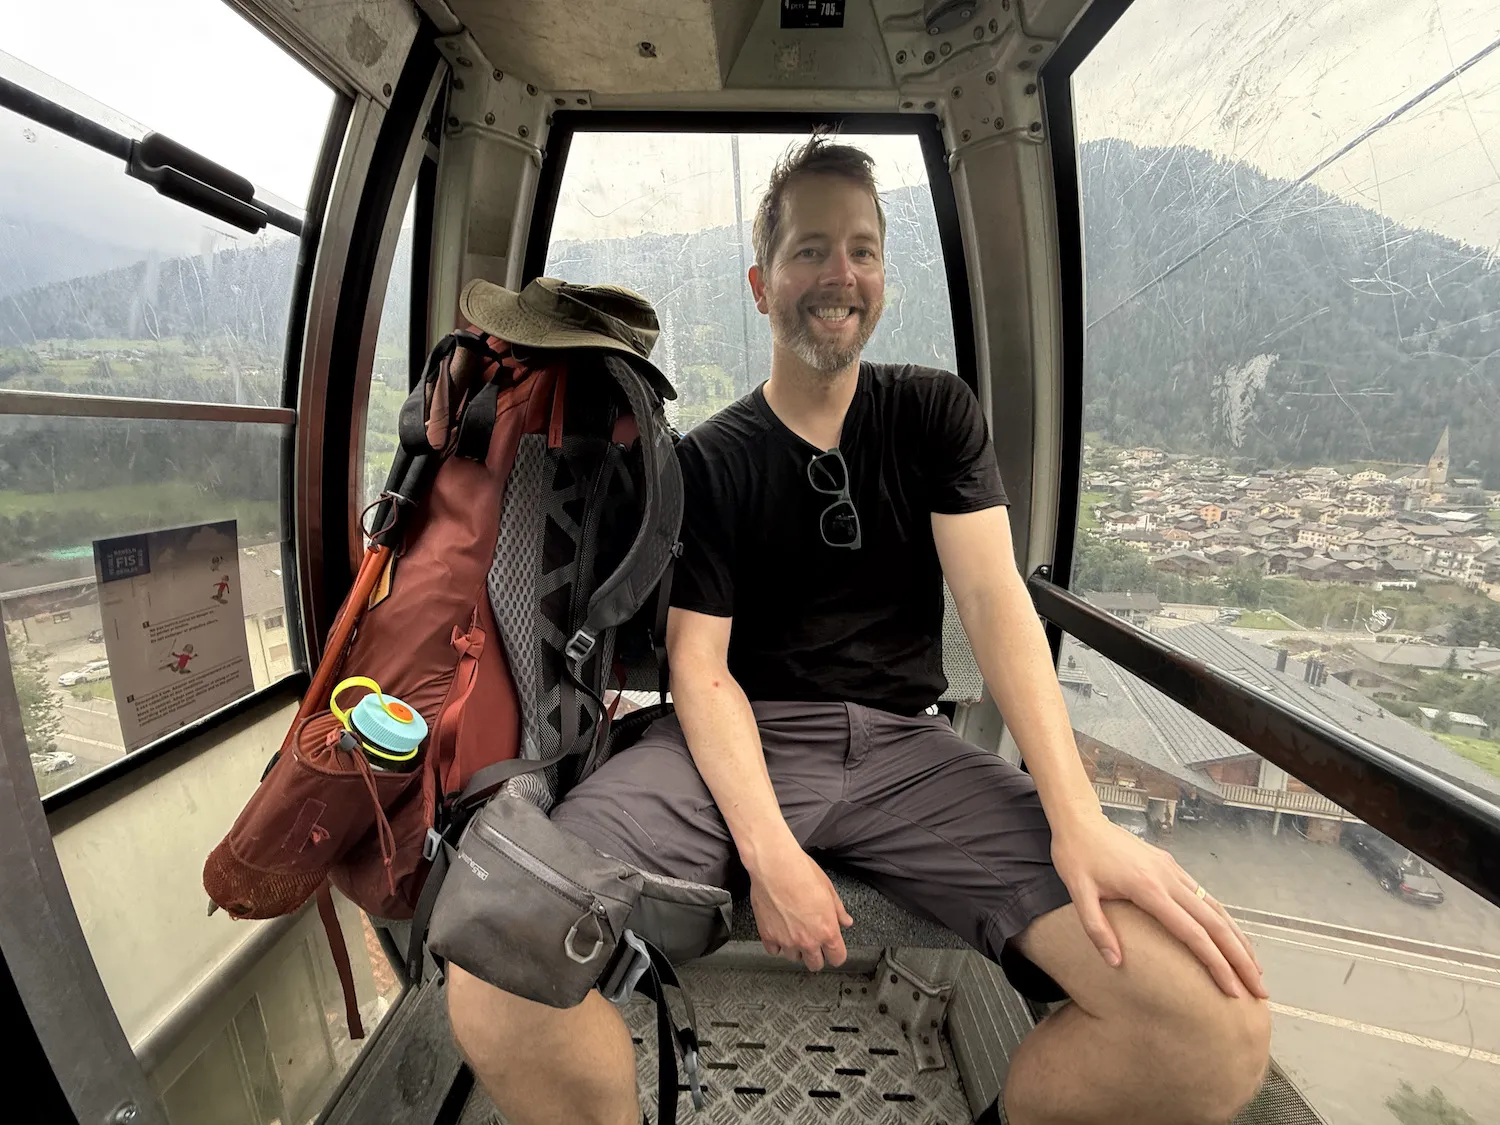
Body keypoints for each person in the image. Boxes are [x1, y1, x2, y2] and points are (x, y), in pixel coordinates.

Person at [448, 135, 1271, 1125]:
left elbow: (995, 604)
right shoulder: (713, 461)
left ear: (883, 274)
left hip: (910, 754)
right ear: (761, 282)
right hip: (736, 745)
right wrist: (772, 853)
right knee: (501, 974)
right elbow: (702, 674)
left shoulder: (933, 415)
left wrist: (1079, 819)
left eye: (863, 250)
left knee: (1212, 1031)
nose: (838, 275)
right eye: (808, 250)